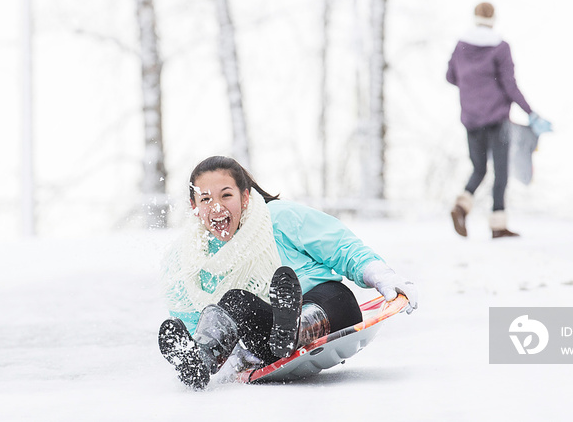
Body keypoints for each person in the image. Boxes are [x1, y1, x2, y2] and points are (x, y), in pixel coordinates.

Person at [157, 156, 418, 389]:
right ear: (194, 205)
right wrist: (231, 355)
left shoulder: (278, 218)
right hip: (269, 340)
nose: (216, 207)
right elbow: (195, 317)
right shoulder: (189, 258)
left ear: (245, 197)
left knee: (335, 295)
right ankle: (201, 360)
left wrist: (381, 275)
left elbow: (339, 246)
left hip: (327, 309)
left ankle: (297, 328)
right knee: (235, 302)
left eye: (226, 195)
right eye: (206, 199)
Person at [445, 2, 551, 238]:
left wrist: (472, 87)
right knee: (500, 172)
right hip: (496, 119)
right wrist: (530, 113)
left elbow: (450, 76)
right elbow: (510, 86)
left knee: (479, 168)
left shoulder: (461, 46)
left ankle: (461, 206)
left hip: (471, 119)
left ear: (474, 17)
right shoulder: (500, 47)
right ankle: (498, 225)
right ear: (494, 19)